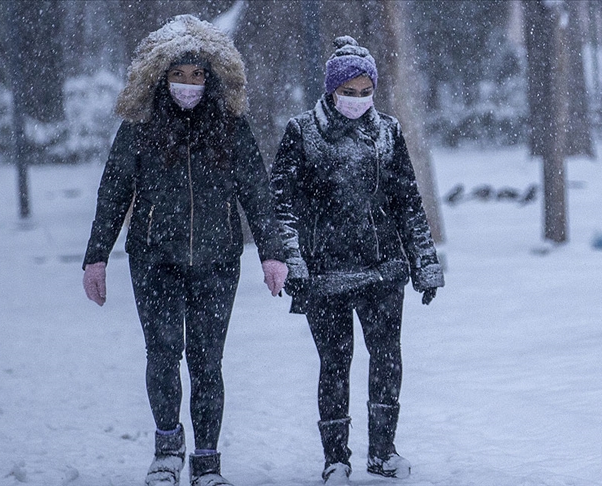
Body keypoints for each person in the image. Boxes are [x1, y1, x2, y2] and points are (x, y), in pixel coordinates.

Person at [82, 15, 288, 486]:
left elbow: (256, 190)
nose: (188, 85)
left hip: (217, 262)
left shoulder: (231, 127)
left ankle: (208, 461)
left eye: (197, 75)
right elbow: (113, 192)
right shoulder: (140, 127)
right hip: (155, 261)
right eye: (179, 74)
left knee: (207, 361)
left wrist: (271, 252)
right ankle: (167, 450)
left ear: (212, 78)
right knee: (162, 354)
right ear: (161, 76)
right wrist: (96, 257)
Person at [270, 36, 444, 484]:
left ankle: (383, 452)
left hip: (383, 270)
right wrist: (295, 264)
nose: (358, 99)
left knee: (387, 358)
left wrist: (424, 262)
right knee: (335, 363)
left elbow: (408, 201)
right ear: (331, 90)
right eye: (349, 91)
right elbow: (282, 206)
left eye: (366, 90)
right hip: (325, 274)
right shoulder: (302, 132)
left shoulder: (388, 130)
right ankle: (335, 459)